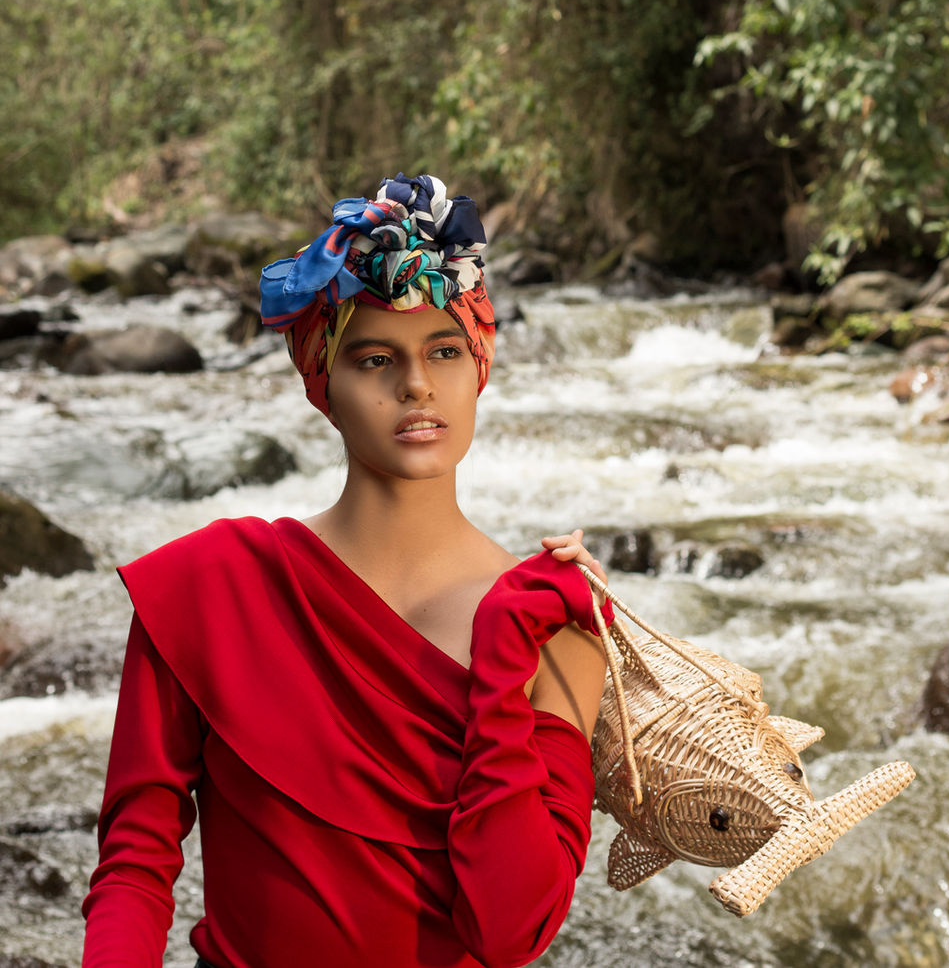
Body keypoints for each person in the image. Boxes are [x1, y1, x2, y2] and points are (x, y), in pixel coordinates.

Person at [81, 172, 610, 968]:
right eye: (374, 359)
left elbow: (514, 931)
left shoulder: (555, 623)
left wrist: (504, 653)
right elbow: (135, 864)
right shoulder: (209, 586)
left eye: (444, 351)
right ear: (323, 383)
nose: (417, 385)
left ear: (479, 367)